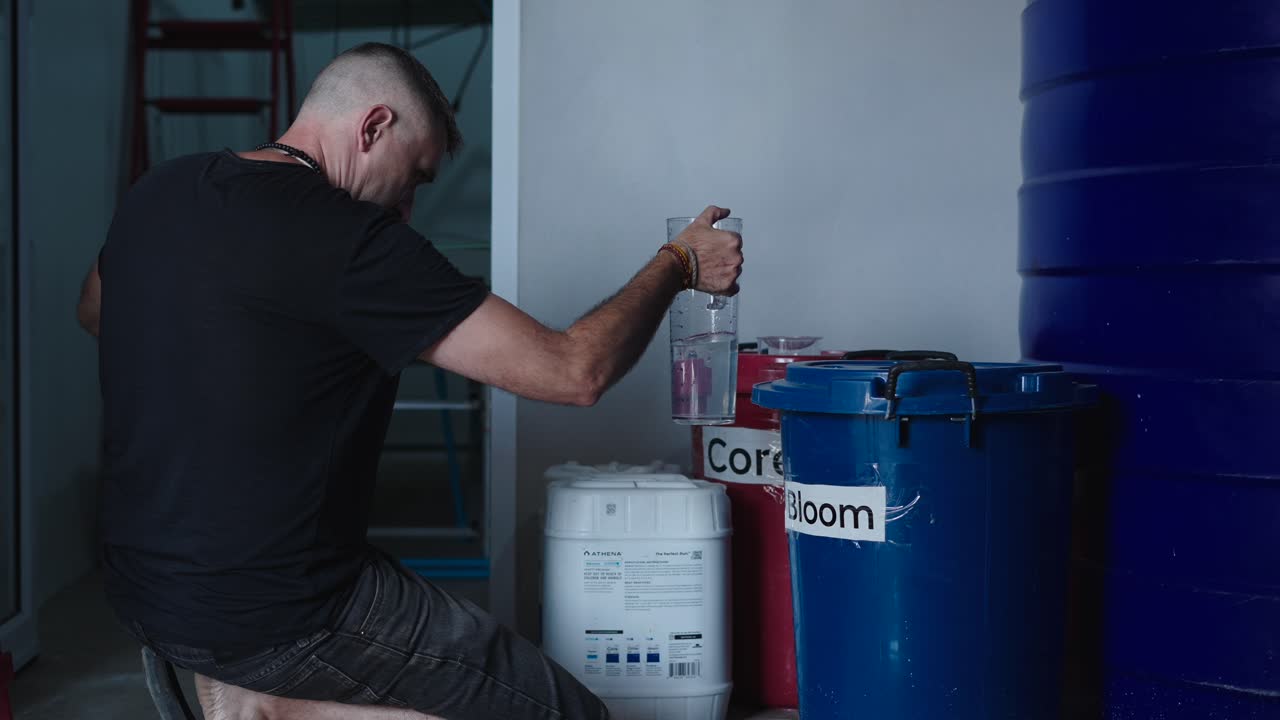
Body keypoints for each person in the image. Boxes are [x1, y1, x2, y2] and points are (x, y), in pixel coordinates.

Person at [81, 42, 742, 720]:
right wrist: (678, 263)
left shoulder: (162, 190)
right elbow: (576, 371)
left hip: (146, 595)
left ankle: (271, 701)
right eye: (415, 177)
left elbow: (98, 310)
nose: (407, 208)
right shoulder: (352, 240)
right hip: (285, 613)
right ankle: (277, 703)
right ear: (374, 127)